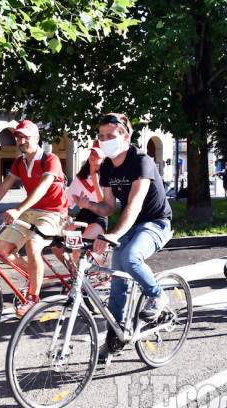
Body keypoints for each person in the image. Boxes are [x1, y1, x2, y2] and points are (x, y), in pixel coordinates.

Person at [73, 113, 172, 358]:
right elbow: (109, 206)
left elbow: (135, 203)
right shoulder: (106, 167)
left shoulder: (141, 161)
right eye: (101, 136)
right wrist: (91, 206)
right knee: (117, 282)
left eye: (110, 136)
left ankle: (158, 295)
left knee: (130, 257)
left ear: (125, 137)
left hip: (155, 223)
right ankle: (115, 337)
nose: (104, 140)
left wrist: (113, 234)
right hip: (129, 225)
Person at [0, 120, 68, 318]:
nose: (22, 140)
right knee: (0, 249)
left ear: (37, 138)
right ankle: (36, 276)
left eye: (26, 136)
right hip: (31, 211)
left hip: (53, 212)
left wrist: (17, 209)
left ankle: (34, 297)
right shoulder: (19, 162)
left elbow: (42, 188)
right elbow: (3, 187)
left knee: (33, 246)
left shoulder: (50, 159)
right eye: (19, 137)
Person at [52, 142, 108, 270]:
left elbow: (104, 203)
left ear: (104, 159)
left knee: (78, 246)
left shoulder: (106, 177)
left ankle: (80, 281)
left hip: (98, 217)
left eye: (97, 154)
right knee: (56, 245)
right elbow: (67, 201)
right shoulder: (81, 177)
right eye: (92, 152)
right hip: (83, 216)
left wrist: (95, 182)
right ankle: (74, 271)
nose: (93, 156)